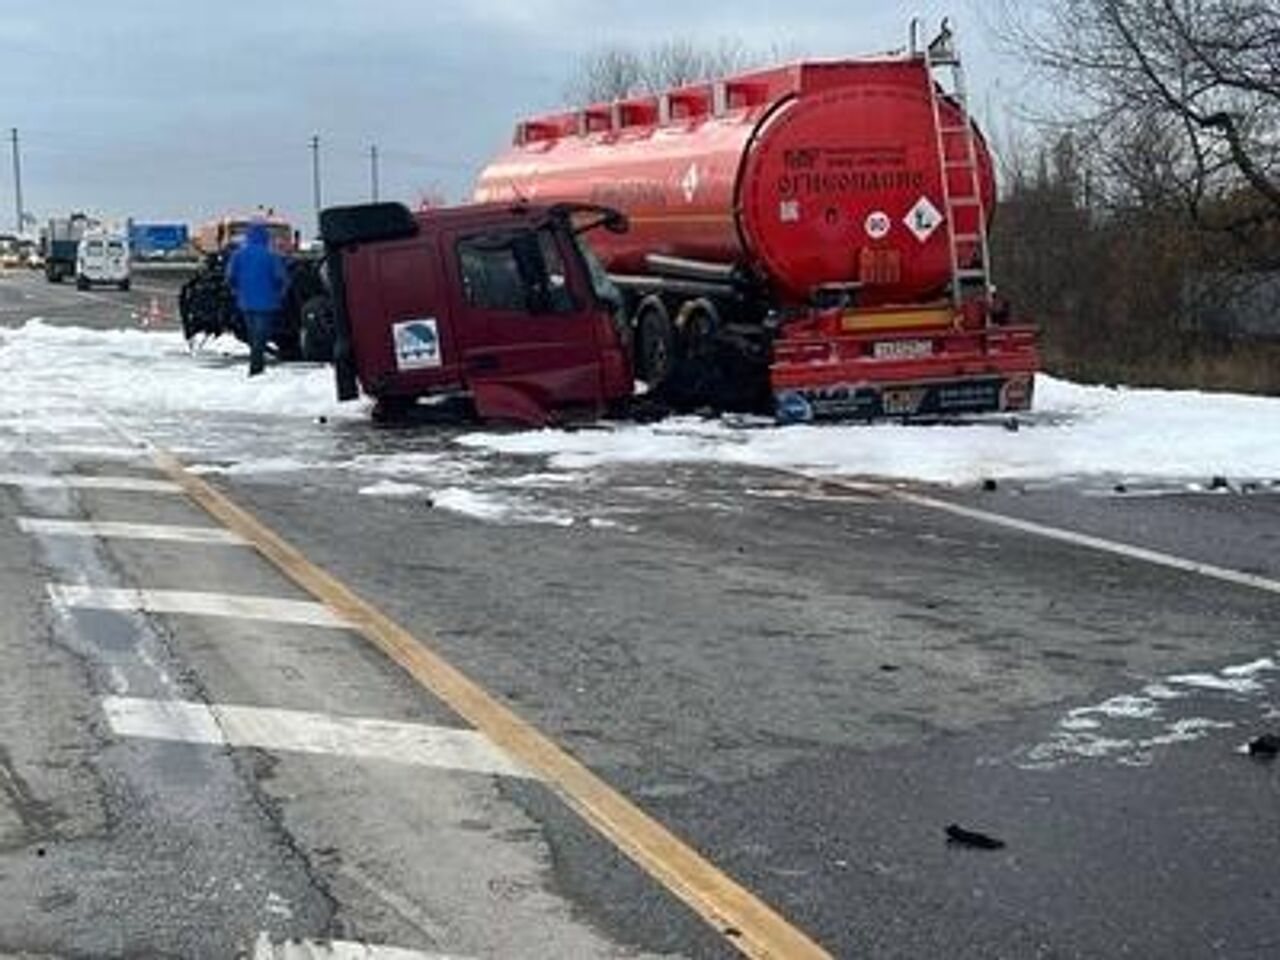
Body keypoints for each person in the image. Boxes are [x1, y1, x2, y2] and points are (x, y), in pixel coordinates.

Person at [225, 223, 289, 376]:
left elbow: (230, 277)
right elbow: (282, 278)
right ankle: (256, 368)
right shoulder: (272, 256)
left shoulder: (238, 255)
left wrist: (237, 291)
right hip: (268, 303)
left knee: (254, 335)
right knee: (261, 336)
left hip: (246, 302)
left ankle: (256, 367)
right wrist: (279, 295)